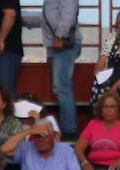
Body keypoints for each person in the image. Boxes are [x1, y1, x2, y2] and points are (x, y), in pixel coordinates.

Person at [1, 118, 83, 170]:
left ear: (53, 136)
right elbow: (4, 149)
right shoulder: (26, 148)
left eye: (44, 135)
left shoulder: (66, 151)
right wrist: (28, 131)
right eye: (37, 136)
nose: (41, 140)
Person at [40, 0, 82, 136]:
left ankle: (69, 130)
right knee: (64, 87)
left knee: (61, 87)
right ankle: (69, 128)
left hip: (63, 44)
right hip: (57, 45)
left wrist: (59, 36)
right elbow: (47, 17)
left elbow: (68, 13)